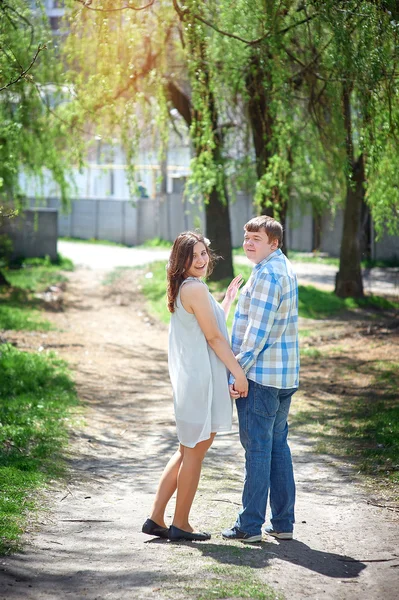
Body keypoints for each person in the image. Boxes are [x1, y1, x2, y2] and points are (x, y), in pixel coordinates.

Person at [142, 231, 248, 542]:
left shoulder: (189, 287)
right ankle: (181, 524)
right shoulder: (194, 289)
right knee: (195, 452)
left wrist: (226, 301)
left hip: (194, 380)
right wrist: (238, 374)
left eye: (203, 253)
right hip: (200, 382)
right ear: (181, 260)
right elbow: (215, 339)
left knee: (187, 449)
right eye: (193, 256)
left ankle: (157, 518)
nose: (201, 260)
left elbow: (208, 330)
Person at [222, 216, 299, 543]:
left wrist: (236, 371)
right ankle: (282, 524)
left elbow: (256, 336)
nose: (249, 243)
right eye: (247, 237)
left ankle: (249, 525)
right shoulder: (282, 267)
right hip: (283, 376)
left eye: (257, 238)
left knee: (258, 448)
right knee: (277, 446)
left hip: (262, 377)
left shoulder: (267, 275)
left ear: (274, 242)